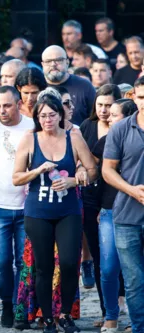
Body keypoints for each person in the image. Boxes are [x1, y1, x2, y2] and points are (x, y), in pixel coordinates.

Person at [12, 93, 97, 333]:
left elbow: (93, 171)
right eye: (42, 115)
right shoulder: (30, 139)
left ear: (61, 114)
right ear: (37, 117)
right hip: (38, 211)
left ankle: (66, 314)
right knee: (43, 267)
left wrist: (74, 180)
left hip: (67, 211)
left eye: (52, 114)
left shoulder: (74, 137)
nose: (47, 119)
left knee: (70, 263)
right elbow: (16, 177)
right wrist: (37, 170)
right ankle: (47, 317)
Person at [0, 86, 34, 328]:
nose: (2, 110)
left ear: (18, 104)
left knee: (24, 263)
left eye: (7, 105)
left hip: (27, 208)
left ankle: (20, 307)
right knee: (1, 261)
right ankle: (6, 303)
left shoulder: (32, 126)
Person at [102, 76, 144, 333]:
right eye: (141, 98)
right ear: (134, 98)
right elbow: (107, 170)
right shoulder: (119, 129)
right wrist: (132, 190)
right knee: (134, 281)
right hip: (127, 217)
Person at [92, 98, 137, 333]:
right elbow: (91, 167)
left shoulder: (136, 138)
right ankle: (111, 315)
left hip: (136, 209)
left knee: (134, 272)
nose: (109, 117)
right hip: (110, 211)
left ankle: (136, 320)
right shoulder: (105, 140)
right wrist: (80, 169)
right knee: (109, 268)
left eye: (115, 114)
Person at [80, 84, 121, 321]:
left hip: (113, 199)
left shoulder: (122, 128)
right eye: (100, 105)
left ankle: (120, 303)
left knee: (118, 256)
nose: (104, 110)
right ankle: (107, 310)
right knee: (98, 257)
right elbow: (81, 159)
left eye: (108, 105)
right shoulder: (87, 126)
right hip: (90, 199)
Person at [42, 45, 96, 125]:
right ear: (42, 64)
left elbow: (95, 120)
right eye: (48, 61)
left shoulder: (85, 86)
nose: (53, 64)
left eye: (58, 60)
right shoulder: (36, 87)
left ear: (67, 62)